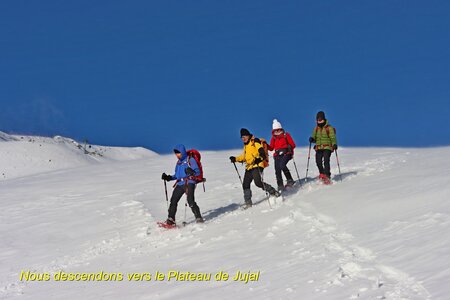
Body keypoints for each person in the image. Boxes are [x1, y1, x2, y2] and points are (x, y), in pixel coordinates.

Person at [229, 128, 280, 208]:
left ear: (248, 135)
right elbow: (244, 157)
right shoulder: (246, 146)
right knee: (245, 184)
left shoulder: (254, 141)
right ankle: (248, 203)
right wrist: (235, 159)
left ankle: (273, 192)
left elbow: (260, 149)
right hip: (249, 167)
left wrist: (260, 157)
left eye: (244, 136)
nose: (243, 138)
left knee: (258, 182)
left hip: (257, 165)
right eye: (242, 137)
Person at [161, 144, 204, 225]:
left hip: (189, 182)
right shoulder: (178, 163)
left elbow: (197, 171)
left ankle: (199, 217)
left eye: (178, 153)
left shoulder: (190, 160)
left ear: (182, 152)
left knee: (190, 201)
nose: (177, 154)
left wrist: (191, 171)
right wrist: (168, 177)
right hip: (180, 183)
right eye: (176, 153)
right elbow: (177, 176)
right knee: (173, 200)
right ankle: (171, 219)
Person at [268, 119, 297, 191]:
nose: (277, 131)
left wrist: (289, 148)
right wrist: (265, 144)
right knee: (277, 170)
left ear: (281, 128)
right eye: (275, 130)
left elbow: (293, 144)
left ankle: (290, 180)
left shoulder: (286, 135)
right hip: (277, 155)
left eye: (278, 129)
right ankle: (280, 185)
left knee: (282, 165)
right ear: (273, 131)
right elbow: (271, 148)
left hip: (286, 153)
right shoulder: (273, 138)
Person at [309, 111, 338, 183]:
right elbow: (314, 137)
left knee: (326, 160)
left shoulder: (329, 128)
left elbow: (332, 137)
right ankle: (322, 174)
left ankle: (327, 175)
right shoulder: (316, 129)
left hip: (327, 147)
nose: (320, 121)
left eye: (321, 119)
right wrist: (312, 139)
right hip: (318, 148)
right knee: (318, 161)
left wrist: (334, 144)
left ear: (324, 119)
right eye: (318, 120)